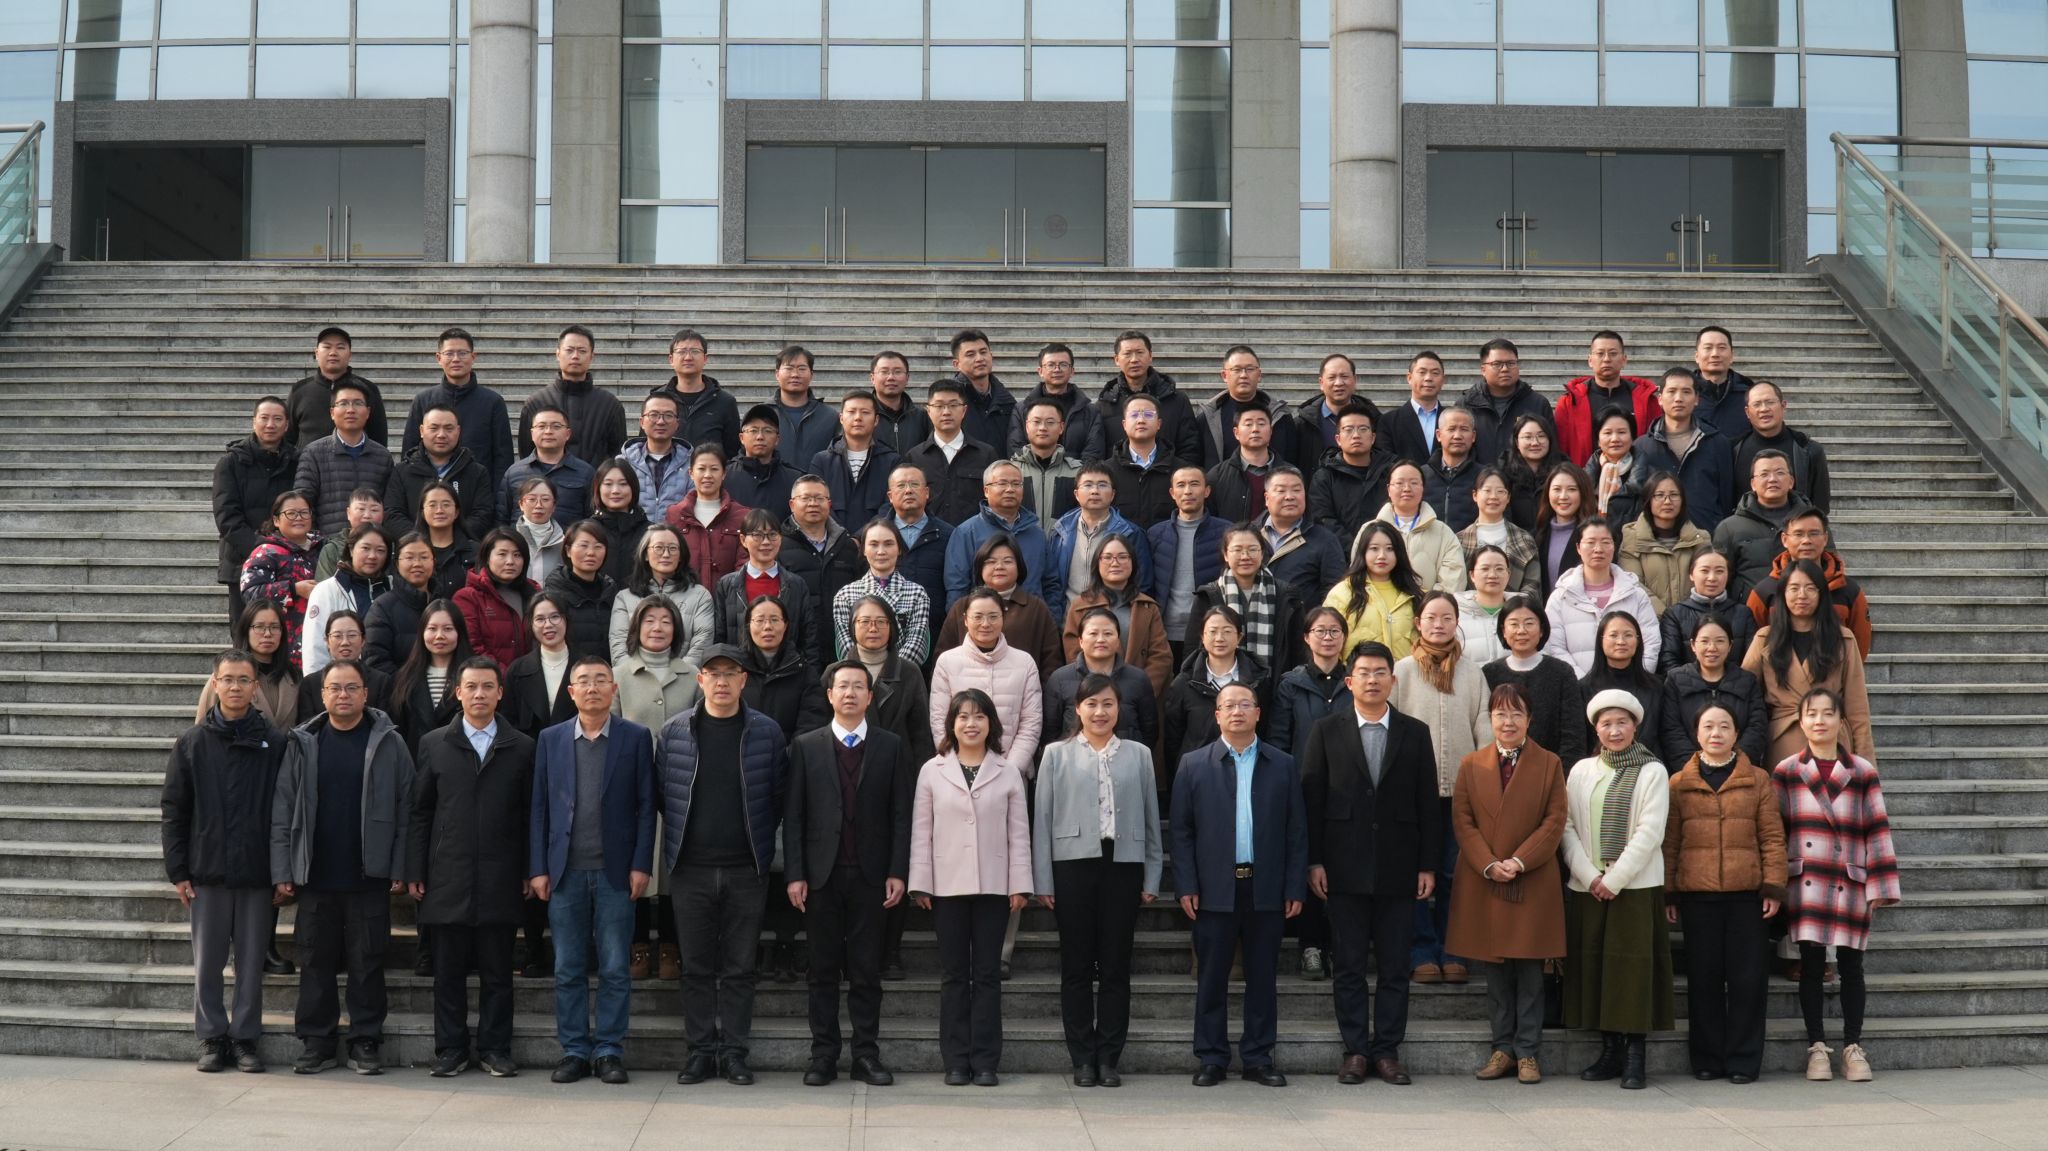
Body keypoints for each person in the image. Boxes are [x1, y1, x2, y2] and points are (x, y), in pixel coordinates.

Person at [1301, 637, 1444, 1088]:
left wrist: (1427, 865)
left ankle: (1387, 1051)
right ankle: (1356, 1051)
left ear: (1392, 680)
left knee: (1395, 966)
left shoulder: (1414, 732)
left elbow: (1427, 803)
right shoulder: (1326, 731)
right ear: (1349, 682)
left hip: (1400, 868)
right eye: (1363, 673)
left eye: (1380, 672)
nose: (1372, 680)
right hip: (1342, 867)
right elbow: (1312, 801)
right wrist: (1314, 861)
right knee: (1347, 966)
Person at [270, 658, 414, 1075]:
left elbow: (407, 810)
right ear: (322, 695)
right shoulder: (304, 743)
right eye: (335, 688)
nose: (343, 695)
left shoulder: (390, 743)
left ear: (365, 694)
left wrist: (401, 866)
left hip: (369, 875)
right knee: (315, 961)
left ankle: (365, 1040)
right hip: (315, 875)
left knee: (368, 961)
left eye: (351, 688)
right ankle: (317, 1042)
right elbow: (282, 809)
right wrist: (283, 869)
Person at [658, 644, 791, 1086]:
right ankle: (700, 1052)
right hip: (691, 869)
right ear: (700, 680)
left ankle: (734, 1052)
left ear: (743, 680)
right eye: (712, 673)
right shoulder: (675, 732)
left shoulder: (767, 732)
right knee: (695, 967)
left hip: (745, 869)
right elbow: (663, 795)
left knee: (739, 968)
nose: (721, 681)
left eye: (729, 673)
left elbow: (778, 796)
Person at [784, 661, 914, 1088]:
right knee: (821, 970)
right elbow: (795, 815)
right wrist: (795, 873)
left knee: (866, 970)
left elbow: (901, 814)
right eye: (843, 686)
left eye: (859, 687)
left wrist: (898, 870)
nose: (851, 693)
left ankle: (866, 1055)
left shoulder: (891, 746)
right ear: (829, 695)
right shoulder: (806, 746)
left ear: (870, 696)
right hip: (820, 877)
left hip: (872, 876)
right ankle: (823, 1055)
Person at [530, 656, 657, 1085]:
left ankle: (608, 1050)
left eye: (601, 680)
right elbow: (539, 807)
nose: (592, 688)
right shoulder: (550, 739)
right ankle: (574, 1050)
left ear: (614, 689)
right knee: (568, 966)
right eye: (583, 681)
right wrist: (538, 868)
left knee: (616, 966)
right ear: (571, 692)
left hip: (615, 872)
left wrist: (641, 863)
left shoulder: (635, 738)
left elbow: (646, 807)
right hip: (564, 872)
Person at [407, 657, 534, 1079]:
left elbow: (530, 815)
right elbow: (421, 812)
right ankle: (451, 1049)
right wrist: (415, 868)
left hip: (501, 874)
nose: (480, 694)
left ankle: (496, 1049)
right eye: (471, 687)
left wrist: (529, 868)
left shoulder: (522, 747)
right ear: (457, 692)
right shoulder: (434, 743)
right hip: (448, 875)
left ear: (501, 693)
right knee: (448, 973)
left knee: (498, 973)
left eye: (488, 687)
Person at [1033, 675, 1163, 1087]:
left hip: (1123, 865)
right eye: (1091, 704)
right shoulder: (1056, 754)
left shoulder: (1139, 755)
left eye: (1108, 704)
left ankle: (1109, 1057)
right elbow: (1042, 821)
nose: (1100, 712)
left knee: (1115, 966)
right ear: (1078, 709)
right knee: (1075, 966)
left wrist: (1152, 874)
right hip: (1072, 866)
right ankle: (1081, 1058)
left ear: (1119, 708)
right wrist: (1043, 880)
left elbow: (1151, 819)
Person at [1175, 681, 1306, 1087]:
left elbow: (1296, 831)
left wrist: (1293, 886)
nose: (1237, 711)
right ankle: (1211, 1057)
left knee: (1262, 978)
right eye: (1229, 705)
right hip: (1213, 888)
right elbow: (1181, 832)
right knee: (1212, 977)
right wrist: (1186, 884)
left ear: (1258, 713)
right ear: (1217, 715)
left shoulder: (1282, 764)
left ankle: (1258, 1058)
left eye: (1245, 704)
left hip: (1265, 887)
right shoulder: (1193, 765)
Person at [163, 649, 288, 1074]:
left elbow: (285, 811)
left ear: (255, 687)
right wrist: (178, 871)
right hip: (207, 871)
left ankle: (245, 1038)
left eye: (243, 680)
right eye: (228, 679)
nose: (235, 687)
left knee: (251, 964)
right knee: (208, 964)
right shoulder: (192, 743)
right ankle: (213, 1036)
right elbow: (174, 811)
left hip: (257, 871)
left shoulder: (275, 743)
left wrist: (282, 871)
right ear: (215, 684)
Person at [1773, 688, 1901, 1084]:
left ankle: (1852, 1046)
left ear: (1841, 721)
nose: (1820, 721)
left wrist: (1880, 884)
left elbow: (1877, 828)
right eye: (1812, 714)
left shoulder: (1862, 771)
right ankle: (1816, 1047)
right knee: (1811, 966)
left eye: (1828, 713)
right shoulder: (1786, 771)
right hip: (1807, 879)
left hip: (1850, 878)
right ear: (1801, 721)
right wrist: (1775, 884)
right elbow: (1775, 833)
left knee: (1851, 966)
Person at [908, 689, 1030, 1086]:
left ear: (991, 723)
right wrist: (920, 883)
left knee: (988, 974)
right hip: (947, 887)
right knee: (954, 975)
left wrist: (1020, 884)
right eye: (963, 717)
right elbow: (921, 831)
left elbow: (1019, 834)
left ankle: (987, 1061)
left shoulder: (1008, 771)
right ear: (952, 724)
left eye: (979, 716)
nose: (971, 724)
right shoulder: (932, 770)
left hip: (995, 887)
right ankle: (956, 1061)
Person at [1447, 683, 1567, 1085]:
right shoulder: (1472, 764)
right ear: (1490, 719)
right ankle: (1502, 1048)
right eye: (1500, 713)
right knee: (1495, 969)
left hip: (1531, 876)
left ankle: (1528, 1051)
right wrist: (1488, 863)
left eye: (1517, 713)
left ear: (1529, 719)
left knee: (1531, 969)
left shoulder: (1549, 763)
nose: (1508, 721)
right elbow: (1463, 821)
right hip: (1485, 878)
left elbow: (1554, 820)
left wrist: (1519, 861)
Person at [1663, 702, 1786, 1085]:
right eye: (1708, 727)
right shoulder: (1678, 782)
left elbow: (1772, 836)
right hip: (1697, 896)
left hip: (1747, 896)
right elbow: (1670, 841)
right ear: (1696, 733)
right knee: (1704, 979)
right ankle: (1707, 1058)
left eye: (1724, 726)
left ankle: (1744, 1060)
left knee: (1749, 980)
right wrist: (1669, 891)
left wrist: (1773, 885)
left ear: (1736, 733)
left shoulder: (1758, 779)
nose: (1716, 733)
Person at [1560, 689, 1675, 1091]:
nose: (1614, 731)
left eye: (1622, 723)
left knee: (1632, 969)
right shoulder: (1581, 770)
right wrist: (1589, 875)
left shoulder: (1653, 771)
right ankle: (1609, 1050)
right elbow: (1566, 826)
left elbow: (1650, 832)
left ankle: (1635, 1054)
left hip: (1635, 886)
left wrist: (1613, 879)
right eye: (1606, 724)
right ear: (1596, 729)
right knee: (1596, 967)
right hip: (1587, 885)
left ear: (1635, 726)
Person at [1393, 592, 1492, 988]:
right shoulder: (1401, 671)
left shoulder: (1472, 673)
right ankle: (1420, 950)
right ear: (1418, 623)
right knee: (1415, 873)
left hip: (1460, 791)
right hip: (1412, 793)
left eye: (1447, 617)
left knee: (1454, 872)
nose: (1439, 624)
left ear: (1456, 622)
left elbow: (1483, 727)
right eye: (1431, 617)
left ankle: (1453, 950)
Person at [848, 594, 938, 981]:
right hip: (849, 778)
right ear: (851, 628)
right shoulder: (839, 671)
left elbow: (921, 735)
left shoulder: (909, 672)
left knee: (895, 862)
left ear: (892, 628)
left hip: (899, 779)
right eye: (864, 621)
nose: (872, 628)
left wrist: (922, 783)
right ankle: (855, 949)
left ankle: (892, 951)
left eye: (880, 622)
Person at [611, 595, 700, 981]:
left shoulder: (692, 674)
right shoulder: (619, 674)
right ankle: (636, 944)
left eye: (666, 621)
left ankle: (669, 945)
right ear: (636, 627)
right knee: (635, 860)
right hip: (631, 786)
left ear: (676, 629)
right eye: (649, 620)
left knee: (671, 866)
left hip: (679, 785)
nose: (658, 628)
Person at [1743, 559, 1875, 764]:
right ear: (1783, 594)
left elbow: (1857, 709)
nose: (1802, 595)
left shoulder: (1843, 639)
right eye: (1794, 588)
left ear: (1822, 594)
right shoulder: (1764, 639)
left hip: (1832, 741)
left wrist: (1866, 763)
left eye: (1810, 588)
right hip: (1783, 742)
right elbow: (1745, 695)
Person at [929, 588, 1045, 774]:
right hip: (957, 773)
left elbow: (1031, 723)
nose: (985, 624)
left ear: (1003, 618)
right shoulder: (947, 662)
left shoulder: (1024, 662)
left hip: (1012, 772)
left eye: (993, 617)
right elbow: (939, 719)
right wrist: (956, 767)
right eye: (978, 617)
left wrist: (1011, 770)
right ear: (965, 620)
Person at [1161, 605, 1273, 794]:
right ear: (1202, 637)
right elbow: (1173, 740)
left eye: (1227, 631)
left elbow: (1266, 728)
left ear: (1239, 637)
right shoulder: (1184, 683)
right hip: (1198, 776)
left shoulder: (1258, 681)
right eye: (1212, 632)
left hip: (1249, 773)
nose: (1219, 638)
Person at [214, 396, 300, 630]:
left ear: (286, 425)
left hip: (286, 562)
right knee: (246, 632)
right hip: (242, 561)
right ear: (254, 422)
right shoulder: (230, 463)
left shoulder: (297, 461)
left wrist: (283, 550)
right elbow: (226, 516)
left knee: (284, 634)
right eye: (264, 418)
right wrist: (261, 549)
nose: (270, 424)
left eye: (277, 419)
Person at [1743, 507, 1874, 658]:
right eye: (1798, 534)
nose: (1806, 541)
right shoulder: (1764, 591)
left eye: (1814, 533)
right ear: (1784, 539)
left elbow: (1859, 644)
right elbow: (1752, 644)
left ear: (1825, 538)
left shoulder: (1848, 590)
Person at [943, 459, 1064, 616]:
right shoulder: (966, 533)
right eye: (1002, 483)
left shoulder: (1037, 534)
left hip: (1032, 621)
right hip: (984, 622)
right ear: (986, 491)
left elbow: (1051, 584)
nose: (1010, 489)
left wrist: (1052, 621)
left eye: (1016, 484)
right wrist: (961, 623)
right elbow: (957, 587)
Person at [1543, 517, 1662, 676]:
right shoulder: (1560, 597)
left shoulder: (1635, 594)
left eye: (1606, 542)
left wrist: (1636, 680)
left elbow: (1651, 643)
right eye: (1590, 542)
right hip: (1576, 686)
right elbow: (1555, 647)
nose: (1598, 549)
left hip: (1630, 686)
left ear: (1614, 546)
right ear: (1578, 547)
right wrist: (1581, 683)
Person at [934, 534, 1065, 673]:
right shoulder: (961, 607)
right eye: (991, 562)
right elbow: (942, 658)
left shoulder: (1036, 608)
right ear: (980, 567)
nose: (999, 567)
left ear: (1019, 566)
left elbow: (1051, 660)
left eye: (1007, 561)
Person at [1060, 535, 1172, 698]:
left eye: (1122, 557)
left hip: (1137, 697)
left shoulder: (1147, 606)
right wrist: (1096, 692)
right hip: (1093, 697)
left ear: (1132, 562)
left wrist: (1139, 692)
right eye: (1107, 557)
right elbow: (1074, 653)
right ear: (1097, 563)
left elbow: (1161, 656)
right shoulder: (1080, 606)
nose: (1115, 563)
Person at [1188, 525, 1304, 678]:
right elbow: (1192, 648)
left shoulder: (1286, 595)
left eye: (1252, 549)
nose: (1245, 556)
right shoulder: (1208, 595)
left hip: (1274, 682)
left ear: (1262, 553)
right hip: (1219, 683)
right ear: (1226, 555)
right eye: (1237, 550)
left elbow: (1297, 649)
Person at [1483, 595, 1587, 766]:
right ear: (1503, 631)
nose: (1521, 631)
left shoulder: (1562, 672)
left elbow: (1573, 732)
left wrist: (1562, 774)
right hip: (1501, 770)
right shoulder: (1489, 673)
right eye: (1514, 624)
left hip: (1552, 770)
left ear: (1541, 630)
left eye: (1529, 623)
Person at [1631, 367, 1738, 531]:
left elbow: (1726, 497)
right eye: (1672, 391)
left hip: (1705, 536)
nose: (1678, 398)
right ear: (1660, 399)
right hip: (1657, 538)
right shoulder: (1642, 446)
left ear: (1696, 399)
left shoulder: (1717, 443)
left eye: (1686, 392)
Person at [405, 328, 514, 486]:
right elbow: (409, 453)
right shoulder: (423, 400)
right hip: (429, 493)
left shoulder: (493, 402)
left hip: (477, 491)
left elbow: (503, 457)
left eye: (462, 353)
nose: (456, 359)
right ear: (439, 358)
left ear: (473, 357)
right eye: (449, 353)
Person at [1044, 608, 1161, 751]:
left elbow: (1150, 731)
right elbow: (1050, 732)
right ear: (1081, 641)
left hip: (1126, 760)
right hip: (1073, 761)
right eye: (1093, 633)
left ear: (1118, 641)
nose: (1100, 639)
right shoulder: (1060, 679)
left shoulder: (1138, 679)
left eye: (1108, 633)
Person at [716, 508, 822, 665]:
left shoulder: (796, 584)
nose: (766, 542)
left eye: (772, 535)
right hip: (741, 670)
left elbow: (809, 638)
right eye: (757, 535)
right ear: (743, 540)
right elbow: (720, 636)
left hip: (787, 669)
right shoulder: (727, 585)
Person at [1660, 616, 1769, 769]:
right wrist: (1696, 768)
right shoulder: (1676, 680)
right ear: (1693, 645)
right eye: (1704, 641)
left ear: (1730, 645)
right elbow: (1671, 730)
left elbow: (1757, 727)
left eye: (1720, 641)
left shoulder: (1747, 681)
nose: (1712, 648)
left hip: (1740, 771)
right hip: (1689, 772)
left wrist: (1733, 764)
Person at [295, 380, 395, 539]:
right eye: (343, 403)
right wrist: (317, 543)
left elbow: (389, 506)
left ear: (368, 412)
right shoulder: (313, 453)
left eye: (358, 403)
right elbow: (302, 503)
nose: (350, 410)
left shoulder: (382, 456)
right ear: (332, 412)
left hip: (371, 545)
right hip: (326, 545)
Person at [1150, 466, 1232, 660]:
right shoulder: (1155, 534)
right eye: (1181, 485)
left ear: (1207, 491)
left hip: (1209, 631)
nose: (1188, 491)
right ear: (1172, 493)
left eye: (1194, 484)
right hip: (1164, 631)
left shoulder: (1227, 532)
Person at [1713, 450, 1817, 600]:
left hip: (1802, 607)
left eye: (1780, 473)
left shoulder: (1812, 523)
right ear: (1753, 484)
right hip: (1748, 610)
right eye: (1764, 474)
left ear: (1791, 482)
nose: (1772, 479)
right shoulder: (1729, 528)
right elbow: (1720, 579)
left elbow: (1829, 567)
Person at [384, 403, 494, 542]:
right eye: (434, 428)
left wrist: (449, 540)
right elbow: (393, 514)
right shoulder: (402, 471)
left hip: (462, 549)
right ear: (422, 431)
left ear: (458, 431)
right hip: (414, 549)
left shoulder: (477, 472)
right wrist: (420, 541)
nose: (441, 435)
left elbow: (482, 514)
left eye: (448, 428)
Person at [517, 325, 625, 465]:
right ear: (558, 354)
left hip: (596, 478)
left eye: (582, 351)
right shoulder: (536, 403)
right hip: (545, 479)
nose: (575, 356)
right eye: (569, 350)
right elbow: (526, 454)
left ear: (592, 356)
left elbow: (617, 455)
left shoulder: (610, 405)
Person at [831, 520, 934, 665]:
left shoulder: (917, 593)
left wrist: (890, 672)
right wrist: (864, 673)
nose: (881, 551)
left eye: (888, 544)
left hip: (902, 674)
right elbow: (845, 644)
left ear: (899, 549)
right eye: (873, 544)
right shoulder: (845, 595)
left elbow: (917, 643)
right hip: (857, 675)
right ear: (864, 550)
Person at [610, 525, 713, 667]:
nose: (666, 554)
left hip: (684, 677)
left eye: (673, 548)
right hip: (634, 677)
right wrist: (636, 676)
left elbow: (702, 643)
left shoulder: (700, 595)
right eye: (658, 547)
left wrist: (680, 675)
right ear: (645, 554)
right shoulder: (625, 597)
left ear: (681, 555)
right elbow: (619, 646)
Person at [779, 475, 866, 644]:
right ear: (792, 504)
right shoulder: (779, 547)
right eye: (805, 498)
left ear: (829, 504)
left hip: (842, 642)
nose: (813, 504)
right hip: (795, 642)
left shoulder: (847, 546)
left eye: (820, 498)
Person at [1051, 462, 1154, 603]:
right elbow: (1051, 582)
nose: (1095, 491)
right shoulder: (1060, 531)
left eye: (1102, 485)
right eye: (1088, 485)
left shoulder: (1131, 534)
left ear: (1112, 494)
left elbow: (1142, 584)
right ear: (1076, 494)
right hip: (1068, 615)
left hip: (1113, 615)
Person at [239, 491, 320, 669]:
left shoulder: (324, 549)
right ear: (276, 520)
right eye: (291, 513)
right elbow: (251, 593)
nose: (298, 518)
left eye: (304, 512)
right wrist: (293, 589)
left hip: (319, 641)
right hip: (282, 646)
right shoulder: (266, 552)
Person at [1553, 331, 1660, 465]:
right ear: (1590, 360)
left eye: (1613, 353)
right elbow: (1560, 448)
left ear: (1624, 360)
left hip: (1636, 474)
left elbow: (1655, 446)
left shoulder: (1647, 400)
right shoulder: (1569, 402)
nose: (1606, 359)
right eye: (1600, 353)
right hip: (1584, 475)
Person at [903, 379, 1000, 528]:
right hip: (929, 537)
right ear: (929, 411)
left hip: (974, 537)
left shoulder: (986, 454)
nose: (946, 412)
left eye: (953, 405)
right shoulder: (915, 457)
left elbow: (995, 503)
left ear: (964, 410)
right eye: (939, 406)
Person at [1097, 329, 1201, 462]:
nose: (1134, 359)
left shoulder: (1177, 400)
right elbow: (1099, 453)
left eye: (1140, 352)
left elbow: (1190, 448)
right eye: (1127, 354)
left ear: (1150, 356)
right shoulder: (1105, 404)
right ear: (1117, 360)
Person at [1325, 521, 1423, 661]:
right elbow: (1328, 641)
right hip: (1356, 674)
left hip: (1406, 674)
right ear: (1363, 552)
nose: (1382, 555)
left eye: (1389, 549)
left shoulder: (1415, 594)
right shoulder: (1342, 593)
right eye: (1374, 548)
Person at [302, 524, 392, 675]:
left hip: (385, 681)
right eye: (365, 548)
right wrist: (318, 685)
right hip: (339, 682)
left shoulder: (392, 588)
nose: (372, 556)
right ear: (351, 549)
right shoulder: (326, 590)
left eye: (380, 550)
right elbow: (314, 647)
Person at [1619, 470, 1712, 614]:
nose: (1667, 501)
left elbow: (1707, 582)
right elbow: (1634, 584)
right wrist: (1668, 617)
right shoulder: (1632, 538)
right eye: (1659, 495)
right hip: (1649, 620)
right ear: (1648, 500)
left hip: (1694, 620)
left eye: (1674, 495)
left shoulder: (1700, 539)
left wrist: (1687, 617)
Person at [739, 593, 831, 735]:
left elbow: (812, 723)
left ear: (786, 625)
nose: (767, 626)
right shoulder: (735, 670)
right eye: (760, 620)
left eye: (775, 620)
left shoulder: (804, 672)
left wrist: (791, 749)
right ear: (748, 626)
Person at [1734, 380, 1830, 514]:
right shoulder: (1733, 451)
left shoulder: (1809, 450)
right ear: (1747, 412)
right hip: (1745, 526)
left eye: (1770, 402)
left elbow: (1820, 506)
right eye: (1757, 404)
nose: (1764, 409)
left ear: (1783, 406)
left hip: (1796, 525)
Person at [810, 390, 900, 531]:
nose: (858, 418)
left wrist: (861, 536)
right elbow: (817, 502)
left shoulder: (892, 461)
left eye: (865, 412)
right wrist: (842, 538)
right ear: (841, 418)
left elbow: (890, 505)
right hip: (832, 540)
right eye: (851, 412)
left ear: (876, 420)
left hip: (876, 539)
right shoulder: (822, 461)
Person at [1370, 461, 1466, 592]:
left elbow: (1453, 581)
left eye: (1414, 483)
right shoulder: (1370, 530)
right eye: (1399, 483)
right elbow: (1360, 576)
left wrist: (1426, 602)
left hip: (1429, 605)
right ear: (1388, 489)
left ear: (1423, 488)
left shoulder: (1443, 532)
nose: (1407, 488)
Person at [388, 599, 472, 750]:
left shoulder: (474, 677)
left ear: (459, 632)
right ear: (422, 633)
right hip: (416, 760)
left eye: (447, 629)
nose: (439, 636)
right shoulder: (403, 679)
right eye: (432, 629)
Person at [1196, 345, 1298, 468]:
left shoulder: (1280, 416)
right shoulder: (1208, 417)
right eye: (1237, 369)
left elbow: (1293, 460)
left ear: (1259, 374)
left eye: (1250, 369)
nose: (1243, 375)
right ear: (1224, 375)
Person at [285, 326, 386, 449]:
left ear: (350, 354)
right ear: (316, 353)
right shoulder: (299, 390)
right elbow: (287, 438)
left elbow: (379, 439)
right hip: (309, 461)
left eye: (340, 347)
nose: (333, 353)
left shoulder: (367, 389)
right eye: (327, 347)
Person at [665, 443, 750, 591]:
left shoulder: (741, 515)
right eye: (701, 469)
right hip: (685, 598)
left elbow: (745, 563)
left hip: (728, 598)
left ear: (724, 474)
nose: (708, 475)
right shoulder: (675, 515)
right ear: (691, 473)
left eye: (714, 469)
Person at [1578, 610, 1664, 755]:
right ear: (1601, 640)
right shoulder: (1584, 688)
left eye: (1628, 635)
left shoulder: (1656, 686)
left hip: (1649, 763)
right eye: (1613, 635)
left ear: (1638, 641)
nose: (1621, 641)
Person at [1258, 465, 1349, 602]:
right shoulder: (1250, 535)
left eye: (1296, 490)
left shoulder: (1325, 540)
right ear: (1266, 498)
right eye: (1281, 490)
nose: (1289, 497)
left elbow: (1335, 591)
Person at [1659, 548, 1758, 673]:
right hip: (1686, 684)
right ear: (1691, 574)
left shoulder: (1743, 613)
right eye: (1704, 571)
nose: (1712, 578)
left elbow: (1752, 660)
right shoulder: (1675, 614)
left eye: (1719, 571)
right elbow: (1668, 661)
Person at [650, 328, 743, 461]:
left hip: (708, 473)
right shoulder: (657, 400)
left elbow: (733, 452)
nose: (688, 357)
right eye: (681, 351)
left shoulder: (725, 402)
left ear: (705, 358)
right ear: (671, 359)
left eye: (695, 351)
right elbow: (645, 445)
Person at [498, 400, 596, 526]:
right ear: (532, 434)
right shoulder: (514, 473)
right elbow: (501, 519)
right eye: (541, 426)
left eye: (556, 426)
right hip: (520, 538)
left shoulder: (585, 473)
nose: (548, 431)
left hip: (567, 538)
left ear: (568, 434)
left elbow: (591, 519)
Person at [1308, 400, 1393, 543]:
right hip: (1340, 552)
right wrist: (1356, 548)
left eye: (1363, 429)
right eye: (1348, 429)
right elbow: (1323, 519)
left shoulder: (1390, 472)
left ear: (1373, 438)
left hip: (1385, 549)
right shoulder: (1325, 476)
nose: (1356, 435)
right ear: (1338, 439)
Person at [453, 528, 537, 672]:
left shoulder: (534, 593)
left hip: (531, 678)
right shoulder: (468, 598)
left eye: (517, 555)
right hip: (489, 680)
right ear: (487, 557)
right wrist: (506, 676)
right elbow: (473, 647)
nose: (510, 561)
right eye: (502, 554)